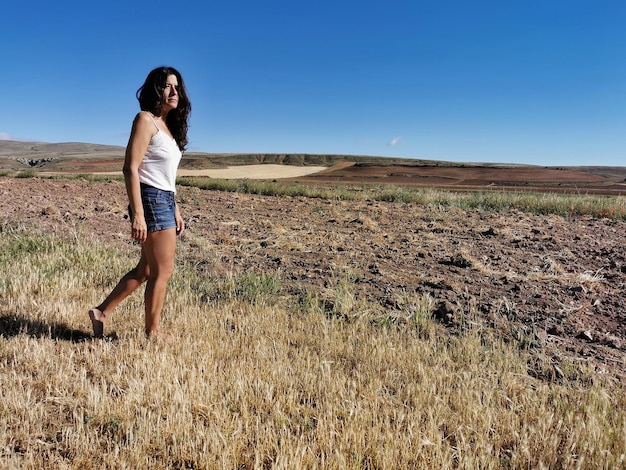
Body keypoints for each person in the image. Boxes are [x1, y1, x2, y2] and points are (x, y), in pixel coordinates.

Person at [88, 66, 191, 340]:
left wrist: (176, 209)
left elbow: (166, 176)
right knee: (163, 270)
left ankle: (101, 312)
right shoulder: (145, 120)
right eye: (168, 86)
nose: (173, 92)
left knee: (146, 269)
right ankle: (153, 332)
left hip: (165, 199)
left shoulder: (168, 128)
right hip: (151, 200)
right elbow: (131, 168)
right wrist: (138, 214)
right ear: (156, 89)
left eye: (177, 87)